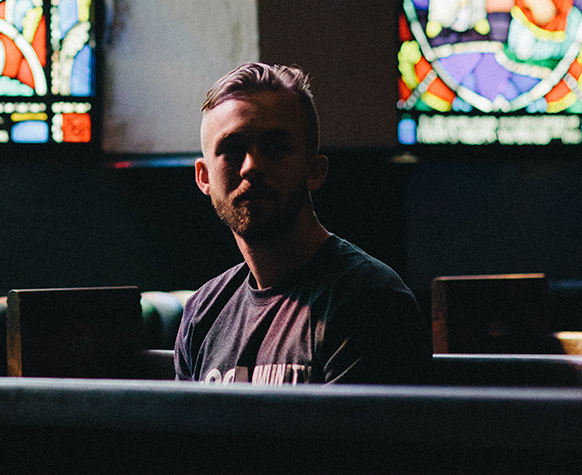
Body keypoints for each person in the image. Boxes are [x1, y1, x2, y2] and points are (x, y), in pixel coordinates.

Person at [175, 63, 431, 384]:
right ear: (204, 177)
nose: (251, 167)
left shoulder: (370, 302)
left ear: (315, 170)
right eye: (233, 149)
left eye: (276, 148)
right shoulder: (203, 312)